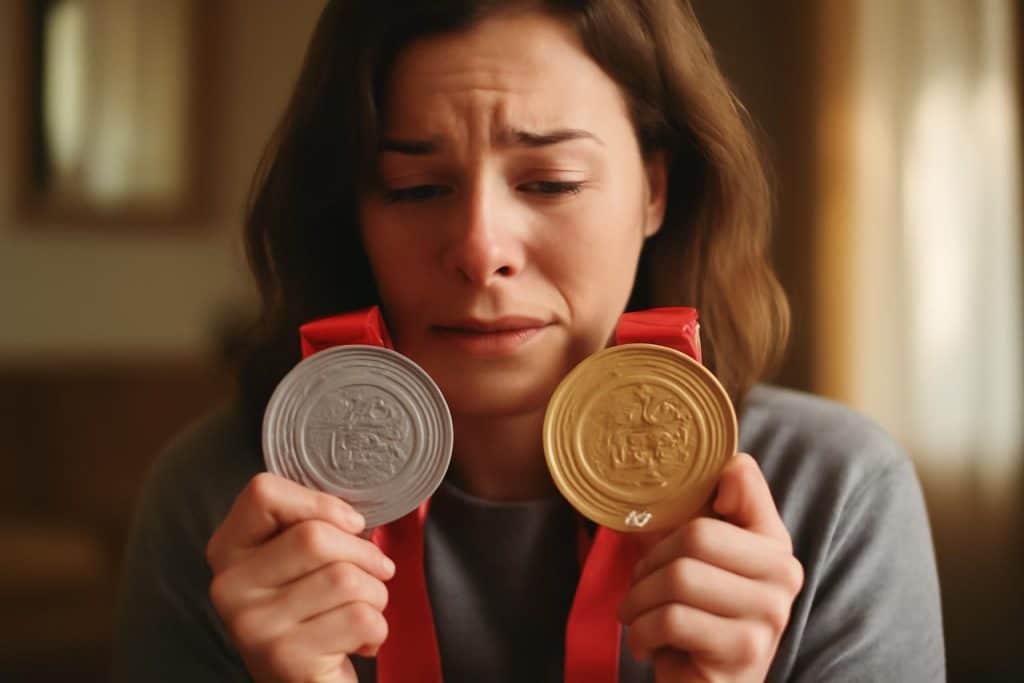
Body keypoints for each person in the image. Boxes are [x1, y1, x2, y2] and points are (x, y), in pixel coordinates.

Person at [112, 1, 945, 681]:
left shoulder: (835, 497)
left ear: (655, 190)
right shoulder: (220, 503)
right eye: (416, 186)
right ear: (350, 209)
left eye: (550, 182)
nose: (481, 249)